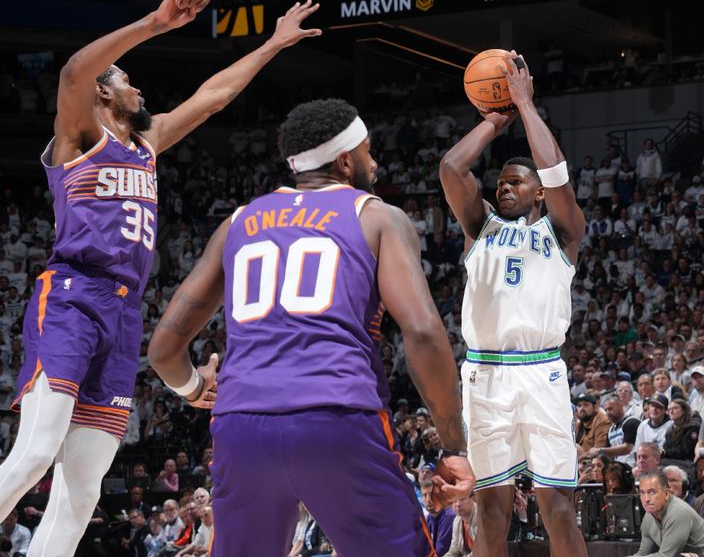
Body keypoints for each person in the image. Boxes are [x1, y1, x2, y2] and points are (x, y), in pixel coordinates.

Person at [0, 0, 323, 556]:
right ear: (105, 91)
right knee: (34, 451)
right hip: (74, 295)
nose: (139, 90)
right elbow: (76, 69)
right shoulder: (80, 135)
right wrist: (154, 23)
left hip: (125, 314)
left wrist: (272, 42)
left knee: (82, 491)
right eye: (128, 81)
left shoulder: (146, 145)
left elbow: (214, 97)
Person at [148, 98, 475, 556]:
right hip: (337, 414)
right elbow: (421, 332)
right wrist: (454, 445)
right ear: (345, 161)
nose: (374, 162)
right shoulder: (376, 216)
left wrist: (192, 386)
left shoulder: (238, 221)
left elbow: (162, 349)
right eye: (367, 152)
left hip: (242, 427)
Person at [439, 50, 587, 557]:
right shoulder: (480, 227)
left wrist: (524, 105)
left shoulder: (562, 231)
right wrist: (494, 122)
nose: (503, 187)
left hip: (542, 372)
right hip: (484, 376)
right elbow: (452, 166)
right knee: (491, 511)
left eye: (515, 181)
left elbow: (558, 174)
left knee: (558, 508)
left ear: (538, 194)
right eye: (500, 182)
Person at [634, 471, 704, 557]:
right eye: (642, 493)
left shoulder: (678, 512)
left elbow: (666, 556)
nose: (646, 499)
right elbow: (643, 553)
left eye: (652, 492)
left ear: (666, 494)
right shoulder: (648, 516)